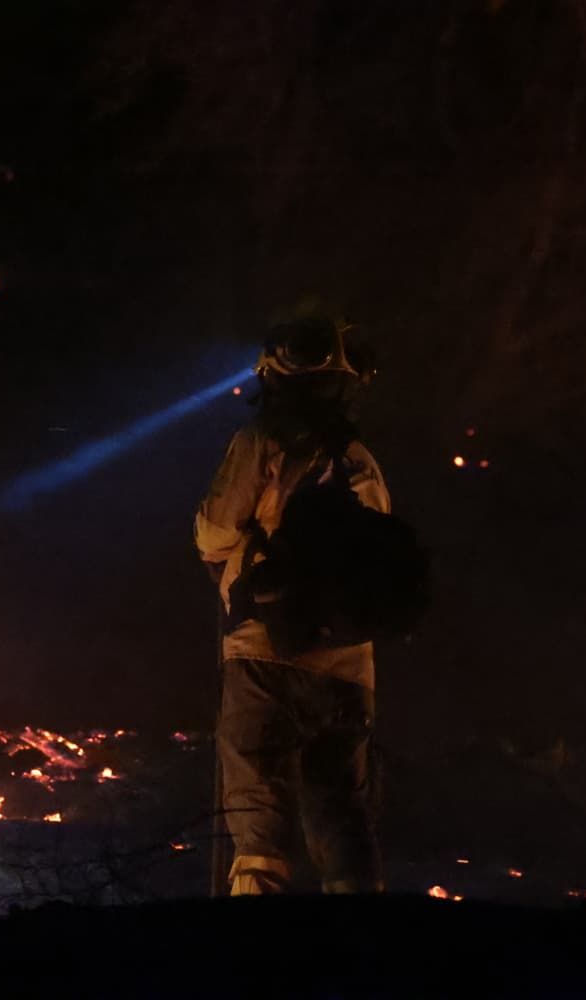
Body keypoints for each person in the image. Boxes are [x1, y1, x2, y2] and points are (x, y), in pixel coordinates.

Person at [195, 311, 388, 895]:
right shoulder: (360, 460)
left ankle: (255, 960)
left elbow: (213, 532)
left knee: (258, 815)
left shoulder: (261, 442)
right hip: (347, 665)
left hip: (261, 652)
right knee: (340, 812)